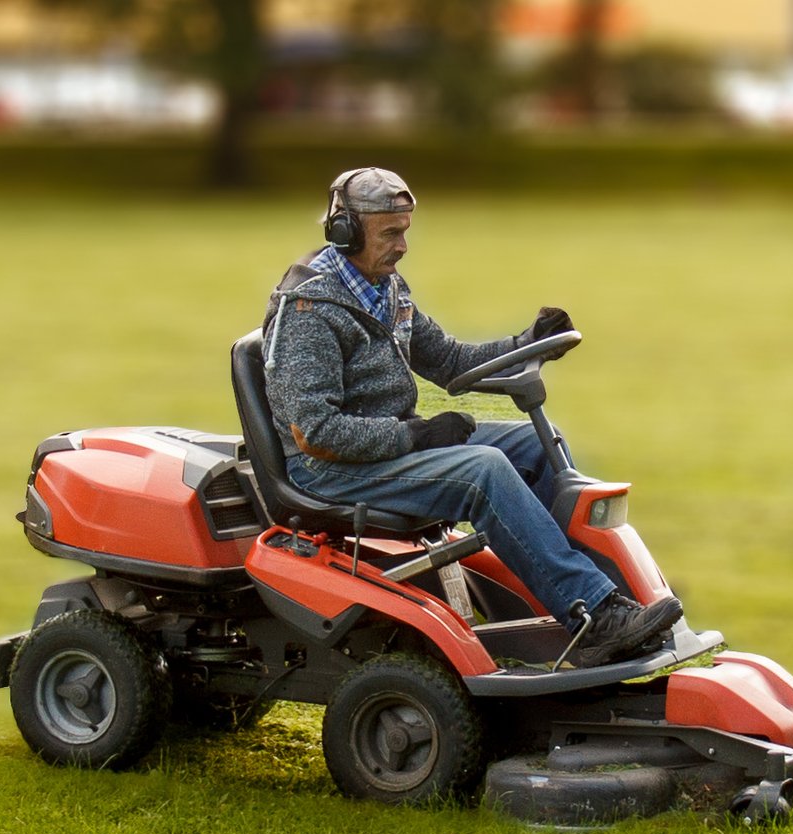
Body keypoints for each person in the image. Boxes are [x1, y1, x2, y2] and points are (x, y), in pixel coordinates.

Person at [260, 167, 682, 665]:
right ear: (345, 231)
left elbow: (450, 360)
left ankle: (607, 605)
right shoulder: (310, 310)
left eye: (406, 231)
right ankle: (592, 614)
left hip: (382, 450)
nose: (403, 245)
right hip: (333, 470)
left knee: (538, 445)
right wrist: (415, 436)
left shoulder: (383, 288)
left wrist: (527, 343)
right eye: (391, 233)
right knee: (483, 471)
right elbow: (315, 434)